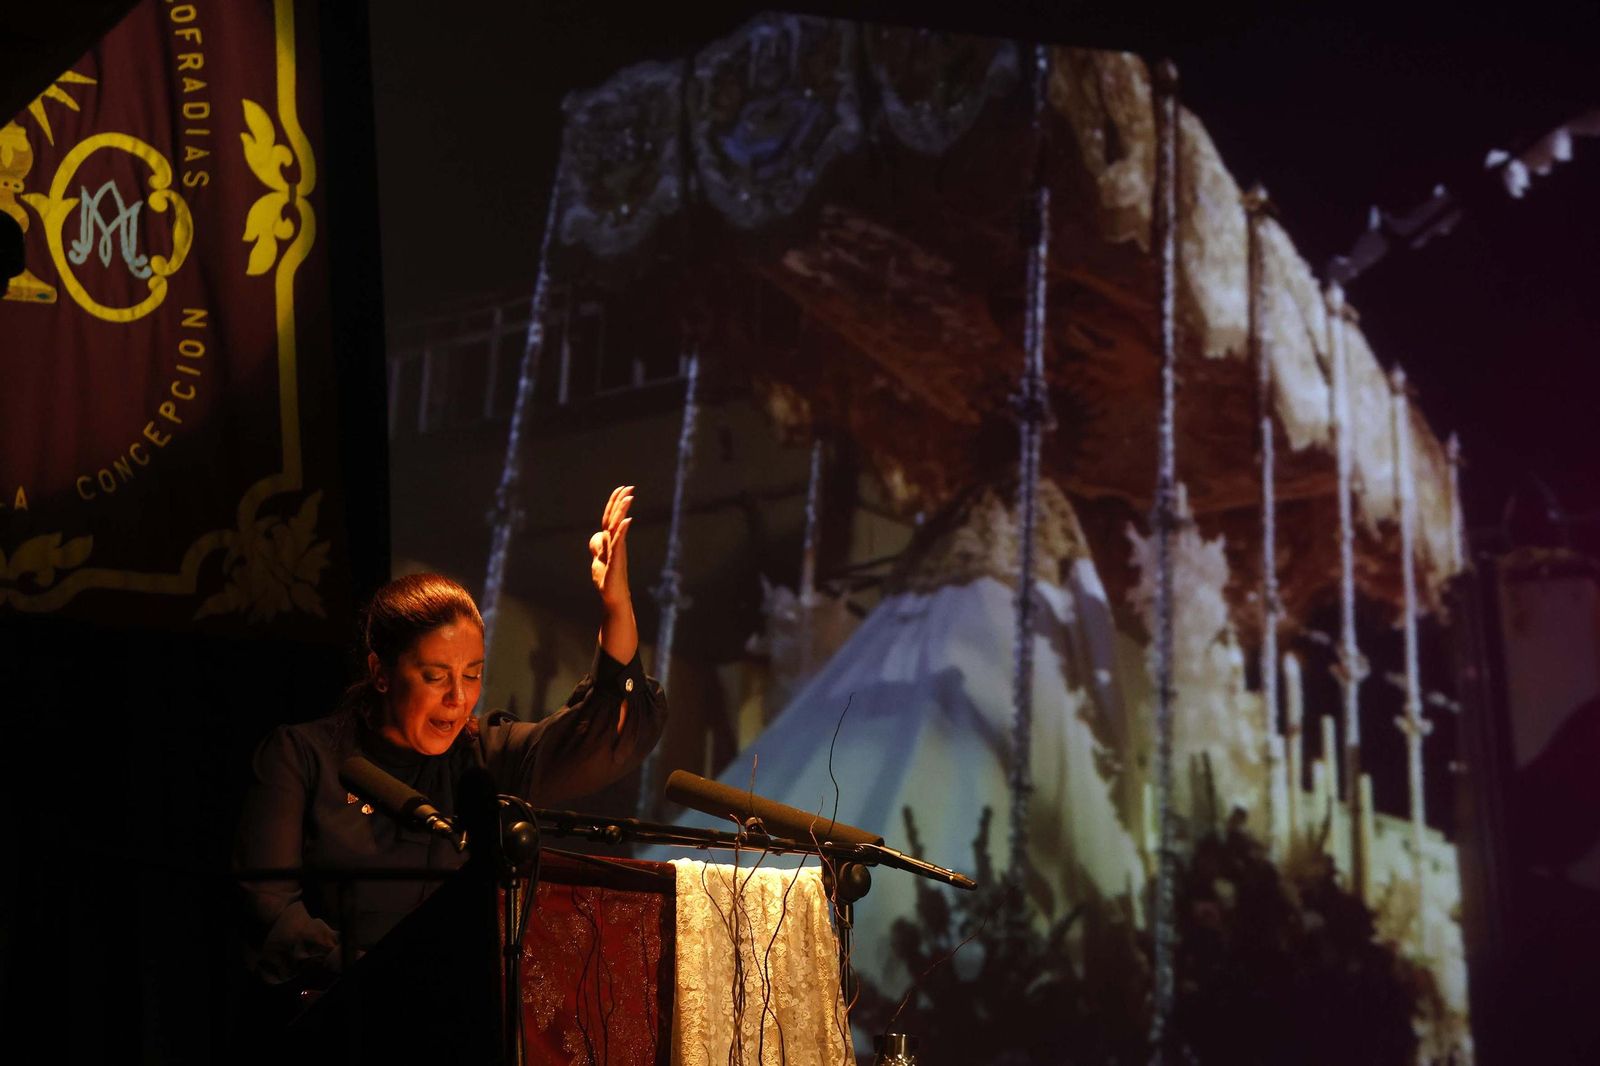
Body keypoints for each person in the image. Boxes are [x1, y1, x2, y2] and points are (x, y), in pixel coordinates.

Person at [234, 484, 664, 997]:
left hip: (459, 1019)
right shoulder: (303, 757)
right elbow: (269, 905)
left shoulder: (483, 759)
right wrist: (377, 977)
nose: (459, 699)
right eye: (436, 676)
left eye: (474, 674)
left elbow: (602, 735)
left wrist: (617, 607)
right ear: (381, 672)